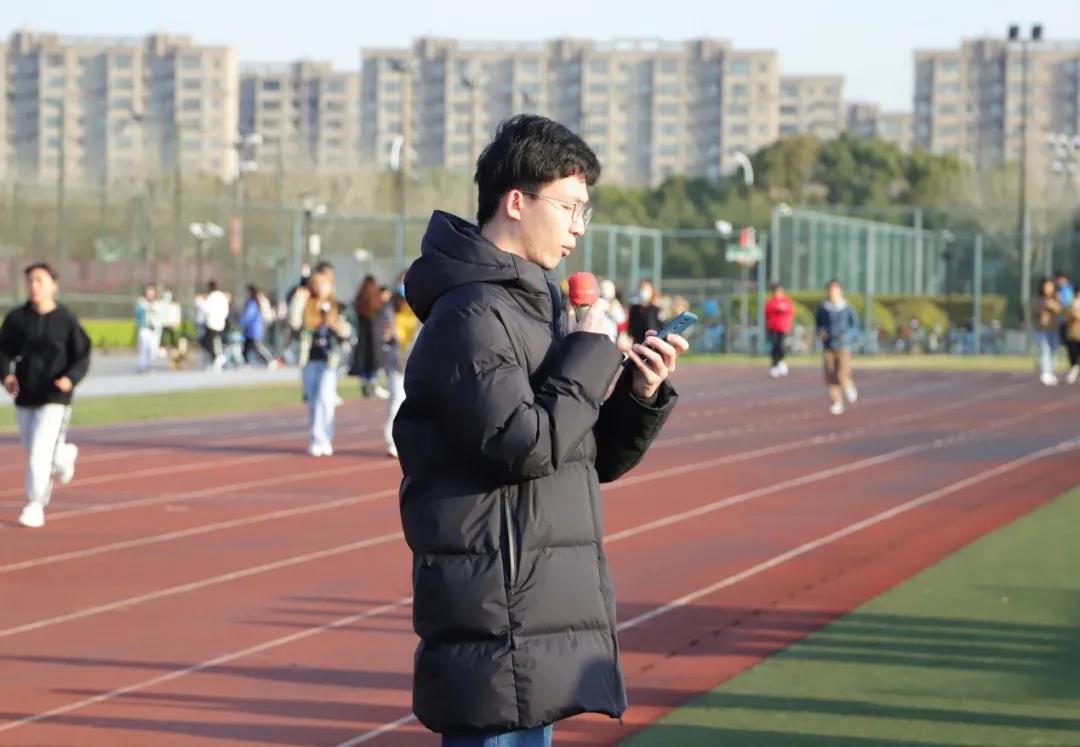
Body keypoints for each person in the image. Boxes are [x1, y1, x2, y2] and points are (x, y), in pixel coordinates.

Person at [394, 114, 688, 746]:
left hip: (532, 613)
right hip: (496, 619)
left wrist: (638, 394)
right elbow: (522, 445)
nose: (579, 226)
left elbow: (583, 455)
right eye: (569, 207)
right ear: (516, 201)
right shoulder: (472, 314)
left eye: (586, 211)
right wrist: (587, 353)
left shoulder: (537, 307)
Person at [0, 262, 91, 528]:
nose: (34, 286)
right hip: (25, 394)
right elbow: (2, 351)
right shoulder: (17, 319)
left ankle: (35, 504)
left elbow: (82, 354)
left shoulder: (66, 320)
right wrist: (6, 375)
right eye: (30, 280)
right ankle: (63, 455)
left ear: (54, 285)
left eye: (40, 280)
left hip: (55, 396)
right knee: (35, 450)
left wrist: (70, 379)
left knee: (39, 452)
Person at [299, 271, 351, 456]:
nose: (319, 288)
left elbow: (348, 331)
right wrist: (299, 299)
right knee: (313, 400)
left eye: (323, 284)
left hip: (330, 359)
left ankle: (325, 437)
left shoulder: (338, 307)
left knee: (325, 398)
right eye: (315, 284)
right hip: (310, 358)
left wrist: (338, 326)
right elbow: (294, 322)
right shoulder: (306, 305)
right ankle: (315, 438)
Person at [381, 273, 419, 458]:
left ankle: (410, 439)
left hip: (416, 360)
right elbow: (384, 332)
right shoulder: (390, 308)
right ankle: (393, 440)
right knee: (397, 399)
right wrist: (387, 335)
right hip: (396, 361)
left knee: (414, 402)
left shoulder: (421, 305)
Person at [815, 279, 859, 415]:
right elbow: (818, 325)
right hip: (828, 346)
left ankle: (848, 386)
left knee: (842, 373)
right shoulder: (823, 309)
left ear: (840, 291)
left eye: (835, 290)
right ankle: (837, 401)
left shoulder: (847, 308)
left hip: (843, 346)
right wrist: (821, 332)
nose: (832, 293)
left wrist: (847, 336)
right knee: (830, 374)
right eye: (830, 290)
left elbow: (855, 327)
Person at [349, 274, 388, 398]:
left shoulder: (360, 299)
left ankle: (366, 385)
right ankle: (373, 384)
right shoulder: (377, 299)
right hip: (375, 336)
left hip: (363, 336)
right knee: (374, 361)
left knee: (365, 361)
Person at [1033, 277, 1062, 386]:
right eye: (1046, 286)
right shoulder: (1039, 299)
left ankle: (1051, 372)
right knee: (1045, 350)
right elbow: (1038, 313)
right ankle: (1045, 373)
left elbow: (1059, 310)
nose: (1048, 288)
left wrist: (1054, 304)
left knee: (1054, 351)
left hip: (1054, 329)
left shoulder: (1057, 299)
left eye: (1050, 286)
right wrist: (1046, 306)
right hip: (1041, 330)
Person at [238, 285, 276, 367]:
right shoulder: (254, 302)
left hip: (253, 329)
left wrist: (241, 321)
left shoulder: (252, 303)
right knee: (246, 347)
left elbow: (249, 315)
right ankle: (246, 363)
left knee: (258, 346)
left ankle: (270, 359)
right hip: (251, 329)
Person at [196, 280, 230, 372]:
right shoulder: (222, 296)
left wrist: (200, 301)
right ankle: (216, 360)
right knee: (216, 342)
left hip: (212, 323)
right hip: (221, 322)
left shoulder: (212, 296)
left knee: (206, 342)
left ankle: (217, 357)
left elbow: (206, 309)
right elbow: (226, 311)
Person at [764, 281, 795, 378]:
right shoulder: (770, 302)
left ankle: (781, 361)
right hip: (773, 328)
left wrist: (782, 308)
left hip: (783, 328)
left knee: (781, 346)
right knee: (774, 346)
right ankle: (774, 364)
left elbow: (790, 310)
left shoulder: (787, 301)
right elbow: (768, 312)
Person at [134, 284, 162, 373]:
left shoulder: (158, 304)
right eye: (149, 293)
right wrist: (146, 307)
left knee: (153, 349)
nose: (150, 295)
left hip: (155, 330)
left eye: (152, 293)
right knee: (144, 347)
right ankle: (142, 366)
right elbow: (138, 314)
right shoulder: (141, 304)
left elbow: (161, 316)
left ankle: (151, 366)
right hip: (145, 328)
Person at [628, 278, 662, 344]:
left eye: (647, 289)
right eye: (642, 288)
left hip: (652, 342)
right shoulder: (634, 308)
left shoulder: (656, 309)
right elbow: (630, 327)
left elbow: (660, 326)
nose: (644, 291)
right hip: (637, 342)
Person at [1064, 293, 1080, 385]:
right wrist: (1073, 312)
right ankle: (1073, 370)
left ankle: (1075, 370)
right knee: (1072, 354)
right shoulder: (1071, 305)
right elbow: (1067, 316)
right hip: (1073, 334)